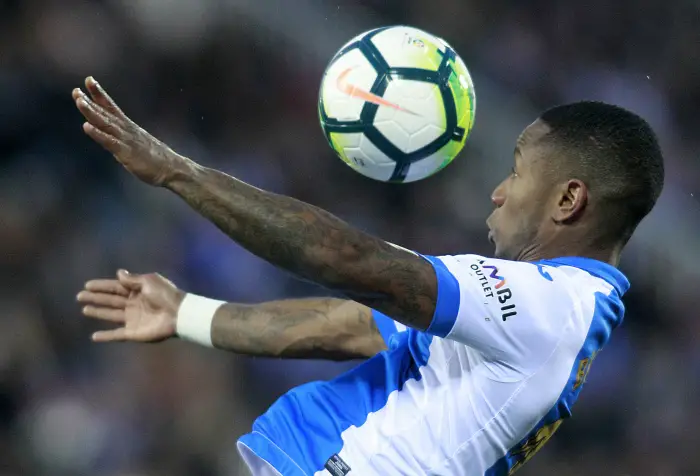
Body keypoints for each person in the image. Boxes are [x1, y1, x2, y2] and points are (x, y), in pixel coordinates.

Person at [73, 76, 664, 476]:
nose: (499, 191)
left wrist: (181, 174)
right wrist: (187, 313)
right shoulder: (541, 310)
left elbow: (348, 260)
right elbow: (351, 326)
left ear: (568, 200)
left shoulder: (550, 306)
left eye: (516, 171)